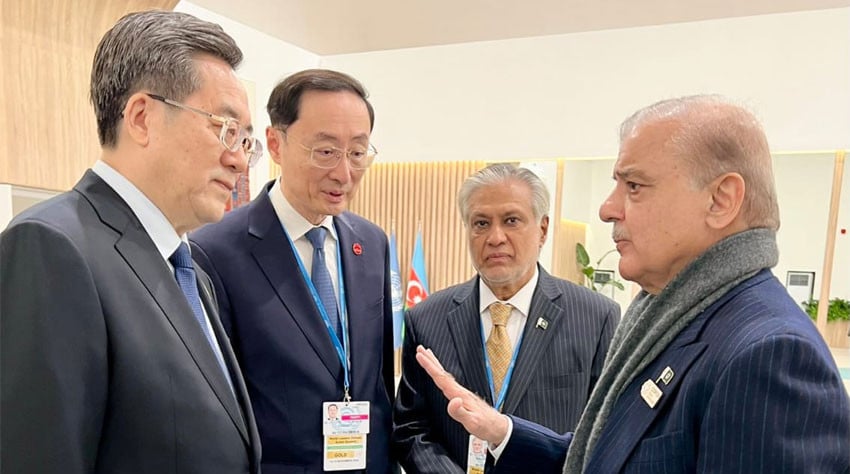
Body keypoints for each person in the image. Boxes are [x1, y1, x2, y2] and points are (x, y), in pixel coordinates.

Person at [414, 95, 850, 473]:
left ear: (720, 200)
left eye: (635, 186)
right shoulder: (671, 320)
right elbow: (605, 459)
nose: (607, 209)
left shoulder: (768, 356)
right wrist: (501, 431)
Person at [0, 10, 263, 474]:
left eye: (245, 141)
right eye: (224, 129)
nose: (239, 161)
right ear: (142, 118)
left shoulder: (188, 268)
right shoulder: (53, 248)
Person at [190, 69, 396, 473]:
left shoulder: (372, 244)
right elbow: (218, 407)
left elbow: (381, 381)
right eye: (325, 151)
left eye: (358, 152)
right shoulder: (216, 251)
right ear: (275, 143)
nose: (344, 173)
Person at [392, 164, 619, 473]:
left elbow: (604, 433)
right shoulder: (427, 319)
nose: (495, 237)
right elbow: (411, 428)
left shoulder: (596, 317)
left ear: (542, 229)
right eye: (481, 223)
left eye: (511, 221)